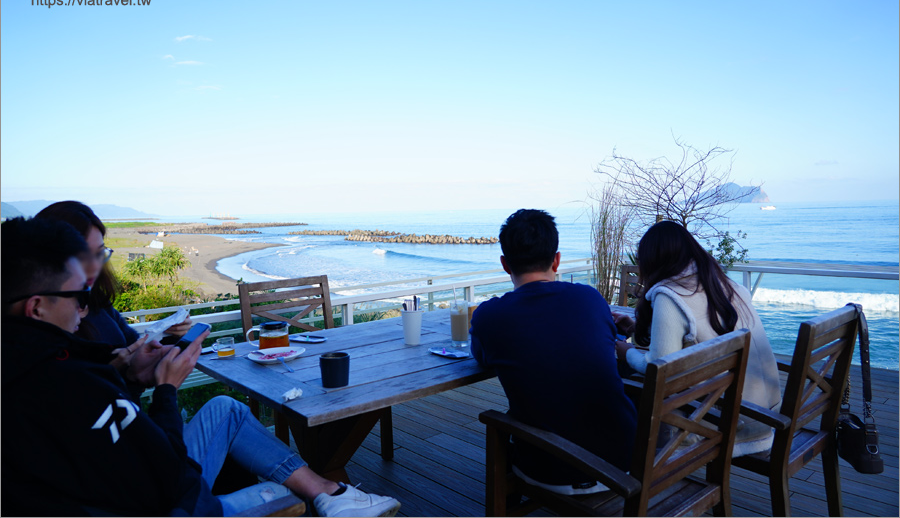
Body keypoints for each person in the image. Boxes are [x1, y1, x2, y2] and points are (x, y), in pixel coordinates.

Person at [1, 217, 401, 517]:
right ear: (36, 307)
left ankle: (330, 492)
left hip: (150, 486)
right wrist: (166, 390)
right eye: (77, 296)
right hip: (178, 504)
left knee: (227, 408)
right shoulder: (60, 385)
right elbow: (172, 474)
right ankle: (328, 493)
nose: (85, 306)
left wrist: (126, 375)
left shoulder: (44, 367)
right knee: (291, 494)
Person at [470, 209, 637, 495]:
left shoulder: (489, 316)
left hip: (549, 469)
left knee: (504, 423)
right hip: (624, 462)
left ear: (505, 265)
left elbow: (483, 358)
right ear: (557, 259)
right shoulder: (590, 298)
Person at [613, 220, 782, 456]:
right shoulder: (723, 284)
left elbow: (658, 368)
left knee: (626, 395)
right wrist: (633, 329)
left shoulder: (670, 295)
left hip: (724, 424)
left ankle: (635, 473)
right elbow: (692, 342)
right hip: (764, 414)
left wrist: (626, 352)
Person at [36, 201, 193, 400]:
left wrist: (171, 337)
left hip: (133, 418)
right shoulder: (37, 329)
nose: (94, 266)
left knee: (227, 406)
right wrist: (115, 374)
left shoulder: (97, 303)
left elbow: (137, 352)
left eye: (99, 253)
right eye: (81, 255)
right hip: (114, 425)